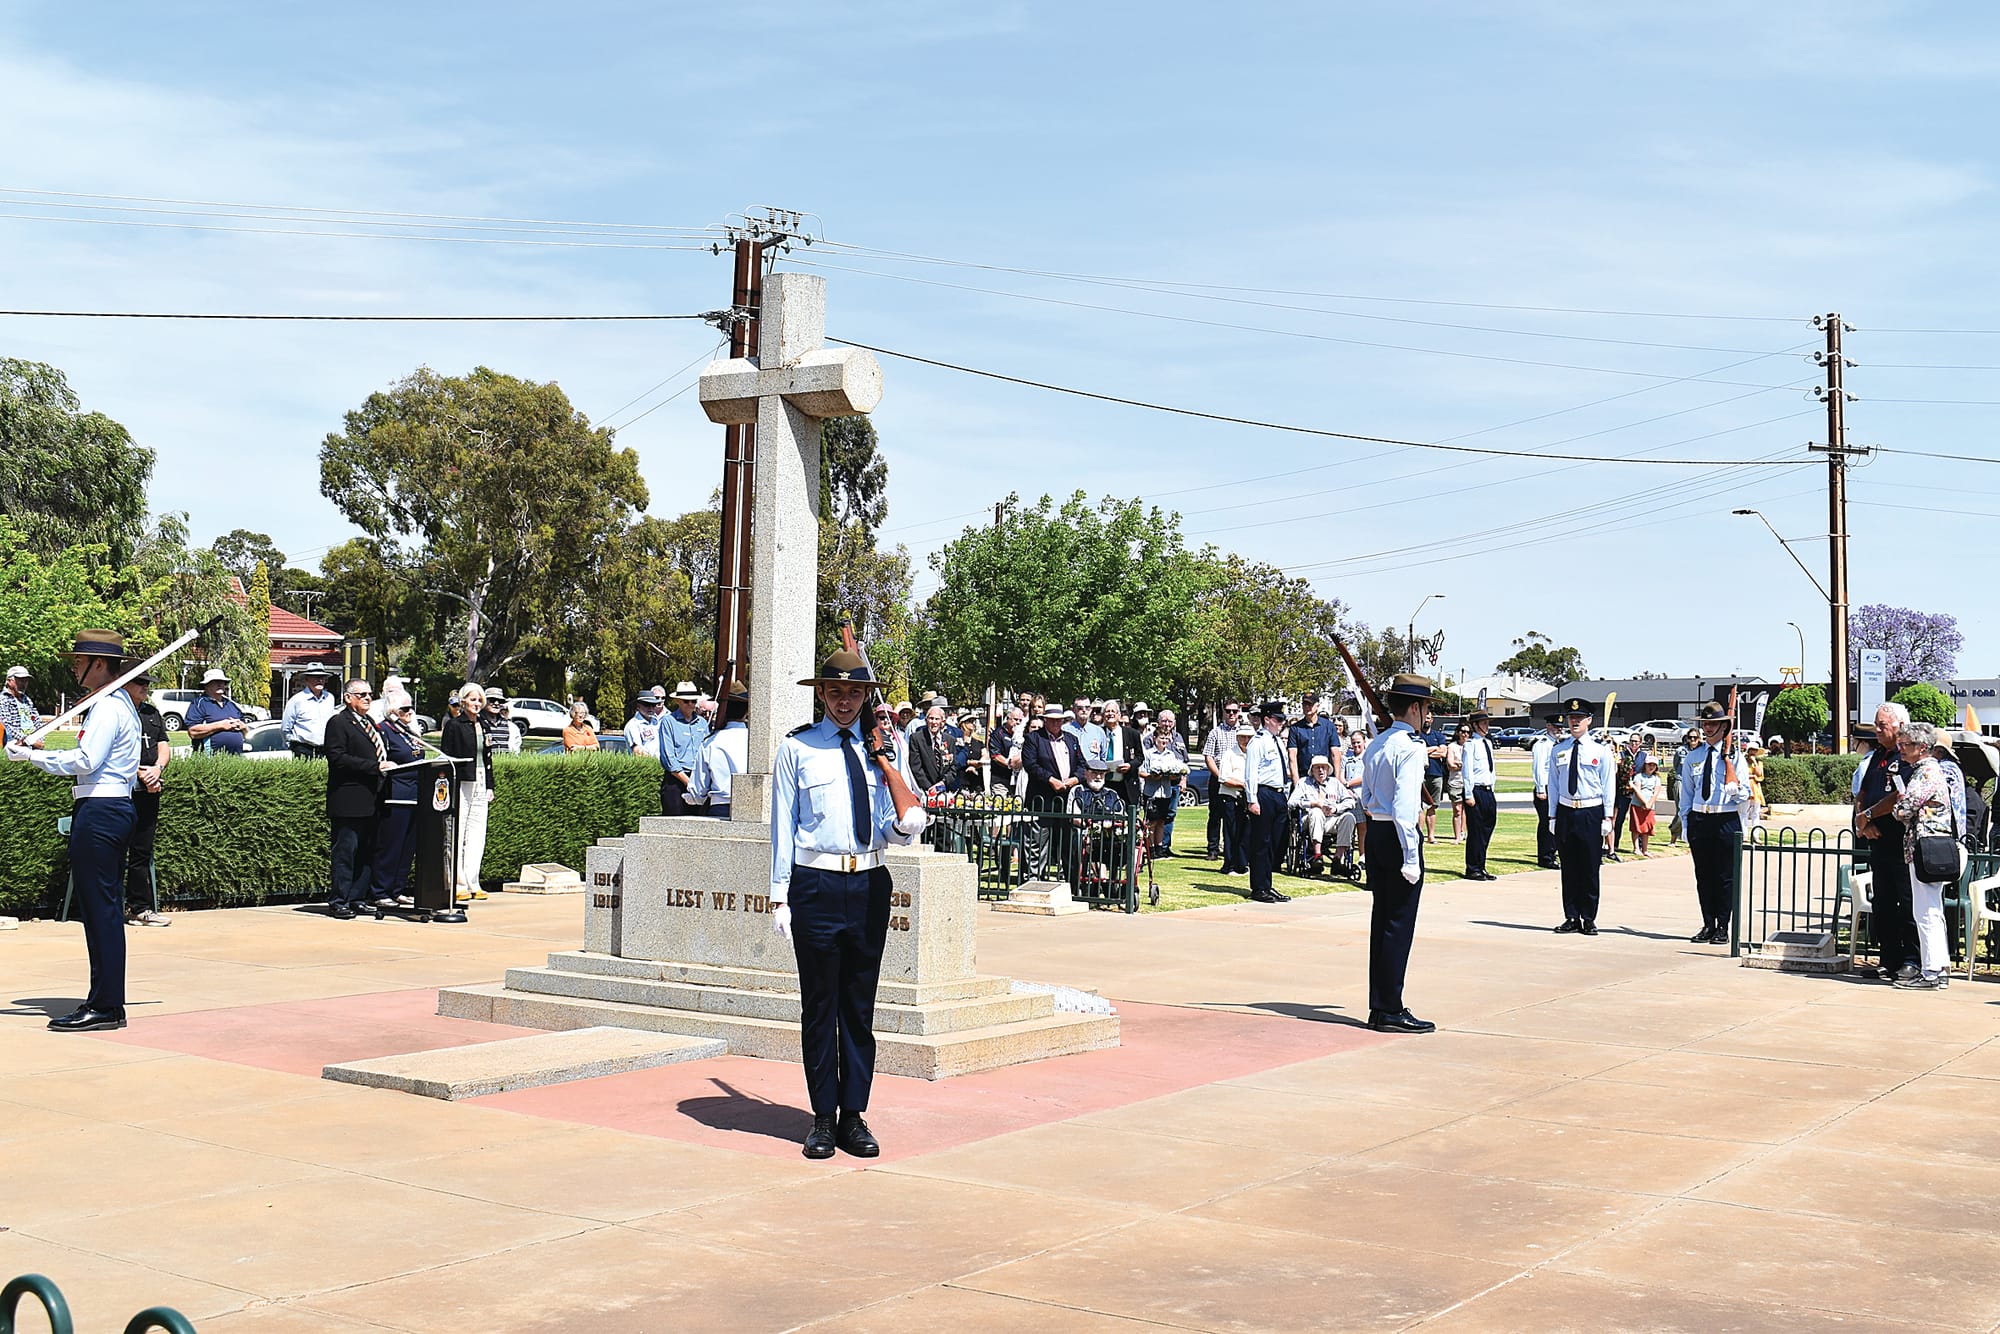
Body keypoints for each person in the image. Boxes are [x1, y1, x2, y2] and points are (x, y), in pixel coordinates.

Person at [770, 649, 928, 1159]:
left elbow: (887, 819)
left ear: (865, 697)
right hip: (815, 884)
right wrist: (779, 895)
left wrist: (904, 829)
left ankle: (853, 1116)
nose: (845, 701)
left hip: (869, 884)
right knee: (821, 1007)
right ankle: (821, 1117)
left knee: (859, 1008)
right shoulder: (798, 749)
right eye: (835, 692)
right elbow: (783, 827)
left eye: (855, 692)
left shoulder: (882, 751)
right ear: (821, 694)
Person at [6, 630, 142, 1030]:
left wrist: (32, 756)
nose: (74, 667)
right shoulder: (112, 704)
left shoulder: (108, 707)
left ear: (99, 664)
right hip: (105, 807)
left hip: (101, 810)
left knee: (99, 911)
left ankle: (105, 1004)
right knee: (103, 910)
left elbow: (86, 759)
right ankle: (106, 1001)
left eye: (79, 661)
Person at [1359, 674, 1439, 1034]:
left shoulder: (1377, 744)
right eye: (1426, 709)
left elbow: (1366, 797)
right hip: (1396, 835)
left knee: (1383, 922)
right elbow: (1407, 807)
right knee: (1397, 925)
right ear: (1414, 707)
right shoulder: (1410, 746)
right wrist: (1410, 856)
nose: (1428, 716)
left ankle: (1381, 1005)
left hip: (1376, 830)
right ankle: (1390, 1006)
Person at [1676, 703, 1752, 944]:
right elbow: (1686, 794)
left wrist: (1735, 790)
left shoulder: (1736, 757)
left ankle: (1723, 925)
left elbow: (1746, 793)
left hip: (1725, 818)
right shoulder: (1694, 756)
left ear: (1724, 726)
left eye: (1712, 724)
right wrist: (1685, 823)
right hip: (1701, 818)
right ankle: (1708, 923)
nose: (1707, 728)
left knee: (1725, 877)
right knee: (1704, 875)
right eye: (1705, 724)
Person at [1891, 721, 1957, 990]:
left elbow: (1904, 809)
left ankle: (1930, 971)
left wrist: (1899, 805)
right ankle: (1939, 968)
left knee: (1925, 911)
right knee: (1933, 909)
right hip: (1933, 845)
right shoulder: (1932, 770)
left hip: (1924, 846)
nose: (1901, 750)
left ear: (1922, 748)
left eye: (1905, 745)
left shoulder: (1925, 772)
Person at [1854, 703, 1917, 982]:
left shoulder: (1906, 757)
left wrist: (1868, 815)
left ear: (1901, 726)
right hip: (1877, 841)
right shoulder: (1878, 755)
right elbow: (1864, 791)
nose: (1877, 730)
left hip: (1901, 842)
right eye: (1876, 724)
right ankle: (1888, 959)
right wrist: (1862, 822)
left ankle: (1912, 960)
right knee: (1883, 903)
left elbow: (1896, 797)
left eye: (1883, 725)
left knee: (1907, 903)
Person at [324, 679, 394, 920]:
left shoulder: (369, 722)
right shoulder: (338, 723)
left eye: (369, 694)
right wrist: (375, 767)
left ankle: (357, 897)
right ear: (347, 697)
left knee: (366, 852)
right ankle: (339, 901)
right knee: (346, 852)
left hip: (372, 799)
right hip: (349, 799)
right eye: (361, 694)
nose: (367, 698)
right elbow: (337, 758)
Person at [1548, 698, 1615, 935]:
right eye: (1571, 718)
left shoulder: (1600, 750)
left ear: (1589, 720)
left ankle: (1588, 917)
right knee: (1569, 867)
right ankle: (1571, 915)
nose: (1574, 722)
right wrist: (1552, 817)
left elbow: (1608, 785)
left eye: (1579, 718)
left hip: (1590, 811)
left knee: (1589, 867)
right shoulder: (1559, 749)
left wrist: (1607, 817)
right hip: (1566, 811)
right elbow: (1553, 785)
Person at [122, 671, 172, 927]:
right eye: (139, 683)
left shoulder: (151, 713)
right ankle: (109, 908)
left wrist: (157, 770)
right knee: (115, 852)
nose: (145, 688)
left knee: (142, 851)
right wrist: (140, 772)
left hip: (150, 788)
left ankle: (139, 908)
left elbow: (163, 745)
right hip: (121, 789)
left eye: (147, 684)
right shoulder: (114, 710)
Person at [441, 684, 495, 904]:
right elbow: (447, 757)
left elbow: (488, 758)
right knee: (458, 831)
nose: (476, 703)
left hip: (481, 780)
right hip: (462, 780)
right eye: (472, 700)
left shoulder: (484, 724)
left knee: (477, 832)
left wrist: (490, 785)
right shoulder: (454, 725)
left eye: (479, 700)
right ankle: (457, 882)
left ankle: (474, 881)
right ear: (463, 702)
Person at [372, 688, 426, 903]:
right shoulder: (385, 730)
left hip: (416, 794)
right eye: (404, 709)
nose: (410, 712)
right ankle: (381, 891)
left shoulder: (409, 730)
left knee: (407, 847)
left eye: (411, 708)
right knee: (391, 845)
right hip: (396, 794)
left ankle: (397, 888)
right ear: (392, 711)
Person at [1244, 700, 1292, 904]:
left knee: (1275, 842)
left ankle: (1268, 883)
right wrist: (1252, 799)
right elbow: (1251, 774)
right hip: (1264, 793)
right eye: (1277, 719)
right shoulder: (1258, 741)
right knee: (1261, 842)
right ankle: (1259, 887)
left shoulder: (1276, 741)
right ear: (1267, 719)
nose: (1281, 723)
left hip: (1279, 794)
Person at [688, 683, 749, 817]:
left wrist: (690, 798)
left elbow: (698, 791)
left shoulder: (710, 742)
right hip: (752, 808)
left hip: (719, 807)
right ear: (747, 711)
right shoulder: (755, 741)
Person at [1290, 754, 1355, 876]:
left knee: (1349, 817)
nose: (1321, 770)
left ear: (1328, 769)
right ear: (1312, 770)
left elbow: (1350, 801)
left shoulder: (1335, 783)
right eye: (1317, 768)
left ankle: (1337, 859)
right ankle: (1317, 855)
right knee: (1316, 812)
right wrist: (1312, 804)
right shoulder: (1304, 783)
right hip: (1309, 820)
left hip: (1331, 819)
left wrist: (1336, 808)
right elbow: (1291, 802)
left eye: (1323, 767)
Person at [1138, 708, 1190, 860]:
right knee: (1151, 822)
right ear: (1155, 739)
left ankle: (1161, 848)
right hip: (1152, 792)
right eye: (1162, 740)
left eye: (1166, 740)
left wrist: (1177, 775)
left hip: (1166, 791)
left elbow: (1182, 763)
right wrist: (1152, 776)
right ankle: (1151, 849)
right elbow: (1141, 772)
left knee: (1162, 820)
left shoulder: (1171, 753)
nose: (1164, 742)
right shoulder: (1148, 753)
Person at [1461, 708, 1500, 881]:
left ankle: (1481, 865)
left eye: (1487, 723)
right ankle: (1473, 868)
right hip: (1475, 790)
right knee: (1476, 831)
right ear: (1475, 725)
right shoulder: (1470, 745)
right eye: (1483, 723)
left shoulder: (1488, 743)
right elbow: (1467, 771)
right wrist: (1468, 794)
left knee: (1487, 829)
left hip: (1488, 790)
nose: (1487, 726)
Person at [1023, 704, 1085, 809]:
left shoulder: (1071, 739)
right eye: (1052, 720)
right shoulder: (1033, 738)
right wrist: (1050, 780)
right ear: (1045, 720)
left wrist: (1075, 779)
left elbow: (1082, 763)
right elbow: (1030, 765)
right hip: (1042, 797)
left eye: (1058, 720)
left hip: (1068, 797)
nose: (1055, 723)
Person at [657, 683, 705, 812]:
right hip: (676, 781)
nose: (690, 704)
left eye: (693, 701)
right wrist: (687, 782)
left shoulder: (702, 723)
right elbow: (668, 757)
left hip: (699, 780)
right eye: (686, 701)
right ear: (677, 701)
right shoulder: (668, 722)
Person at [1213, 721, 1252, 876]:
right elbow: (1223, 778)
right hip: (1230, 796)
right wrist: (1243, 785)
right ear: (1237, 738)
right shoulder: (1229, 753)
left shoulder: (1253, 754)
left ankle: (1242, 864)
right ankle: (1229, 865)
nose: (1245, 740)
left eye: (1248, 737)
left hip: (1246, 798)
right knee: (1231, 831)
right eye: (1242, 737)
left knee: (1245, 831)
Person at [183, 668, 249, 755]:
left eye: (222, 682)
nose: (220, 684)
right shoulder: (199, 704)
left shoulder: (231, 704)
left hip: (235, 760)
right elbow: (193, 732)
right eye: (216, 681)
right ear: (206, 685)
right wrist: (221, 725)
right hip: (210, 761)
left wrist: (243, 727)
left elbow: (246, 732)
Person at [281, 667, 338, 759]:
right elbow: (286, 727)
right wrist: (292, 745)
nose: (320, 680)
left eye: (322, 677)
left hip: (325, 749)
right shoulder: (297, 700)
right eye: (315, 677)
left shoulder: (329, 698)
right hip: (303, 748)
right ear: (307, 680)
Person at [1530, 713, 1562, 869]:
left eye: (1560, 728)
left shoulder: (1558, 745)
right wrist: (1541, 789)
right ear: (1548, 726)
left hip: (1556, 788)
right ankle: (1545, 857)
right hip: (1546, 788)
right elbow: (1538, 768)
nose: (1558, 730)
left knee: (1556, 822)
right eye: (1555, 727)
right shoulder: (1542, 744)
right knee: (1546, 823)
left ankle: (1552, 853)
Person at [1287, 692, 1339, 784]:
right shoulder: (1295, 728)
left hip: (1325, 777)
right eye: (1305, 704)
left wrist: (1337, 781)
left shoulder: (1329, 726)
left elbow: (1335, 754)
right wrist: (1296, 783)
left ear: (1317, 706)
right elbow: (1292, 756)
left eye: (1310, 704)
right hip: (1304, 777)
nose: (1307, 707)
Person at [908, 704, 960, 794]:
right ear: (926, 720)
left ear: (942, 722)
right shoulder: (917, 738)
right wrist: (930, 788)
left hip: (945, 789)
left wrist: (942, 784)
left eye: (937, 719)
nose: (934, 722)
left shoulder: (950, 740)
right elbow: (916, 767)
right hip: (924, 790)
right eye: (931, 718)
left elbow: (953, 767)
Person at [1101, 700, 1141, 804]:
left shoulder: (1132, 734)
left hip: (1126, 784)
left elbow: (1140, 757)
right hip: (1103, 783)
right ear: (1103, 715)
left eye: (1113, 711)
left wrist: (1129, 765)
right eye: (1107, 711)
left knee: (1127, 817)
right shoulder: (1098, 732)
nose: (1110, 714)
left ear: (1119, 715)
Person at [1417, 713, 1448, 844]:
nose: (1426, 720)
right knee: (1420, 807)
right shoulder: (1417, 735)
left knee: (1433, 806)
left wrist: (1425, 751)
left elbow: (1443, 752)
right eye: (1424, 718)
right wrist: (1434, 749)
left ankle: (1431, 836)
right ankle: (1419, 835)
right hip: (1420, 775)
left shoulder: (1438, 736)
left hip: (1436, 775)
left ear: (1432, 720)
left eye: (1428, 718)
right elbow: (1417, 752)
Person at [1665, 728, 1696, 846]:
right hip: (1681, 781)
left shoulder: (1701, 751)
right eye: (1690, 737)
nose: (1692, 740)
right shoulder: (1681, 750)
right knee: (1681, 810)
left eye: (1695, 737)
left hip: (1695, 784)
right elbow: (1675, 764)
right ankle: (1673, 835)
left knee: (1694, 811)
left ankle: (1689, 837)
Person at [0, 664, 42, 746]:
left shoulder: (27, 700)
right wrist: (29, 741)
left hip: (32, 744)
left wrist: (40, 738)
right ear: (9, 681)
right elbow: (6, 726)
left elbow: (37, 720)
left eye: (26, 680)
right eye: (20, 680)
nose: (24, 684)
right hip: (15, 745)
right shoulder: (2, 700)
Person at [1629, 755, 1662, 859]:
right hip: (1637, 804)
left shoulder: (1656, 779)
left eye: (1653, 765)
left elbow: (1656, 792)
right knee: (1636, 827)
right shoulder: (1639, 776)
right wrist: (1644, 802)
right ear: (1645, 765)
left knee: (1647, 828)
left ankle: (1645, 849)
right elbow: (1637, 790)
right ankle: (1636, 848)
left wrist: (1649, 803)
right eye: (1649, 765)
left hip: (1650, 807)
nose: (1651, 767)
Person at [623, 687, 666, 755]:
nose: (651, 708)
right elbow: (638, 751)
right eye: (647, 705)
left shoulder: (656, 722)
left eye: (653, 705)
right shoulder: (633, 725)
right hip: (646, 764)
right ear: (638, 706)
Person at [1444, 724, 1469, 843]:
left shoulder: (1471, 746)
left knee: (1467, 810)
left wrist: (1460, 765)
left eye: (1468, 732)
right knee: (1457, 810)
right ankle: (1457, 837)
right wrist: (1461, 766)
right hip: (1455, 782)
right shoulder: (1452, 746)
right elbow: (1451, 765)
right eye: (1463, 731)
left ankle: (1465, 833)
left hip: (1468, 783)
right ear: (1458, 732)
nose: (1465, 734)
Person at [483, 687, 521, 754]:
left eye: (500, 701)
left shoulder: (511, 727)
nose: (496, 703)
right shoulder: (477, 723)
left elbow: (515, 751)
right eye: (492, 700)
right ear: (484, 702)